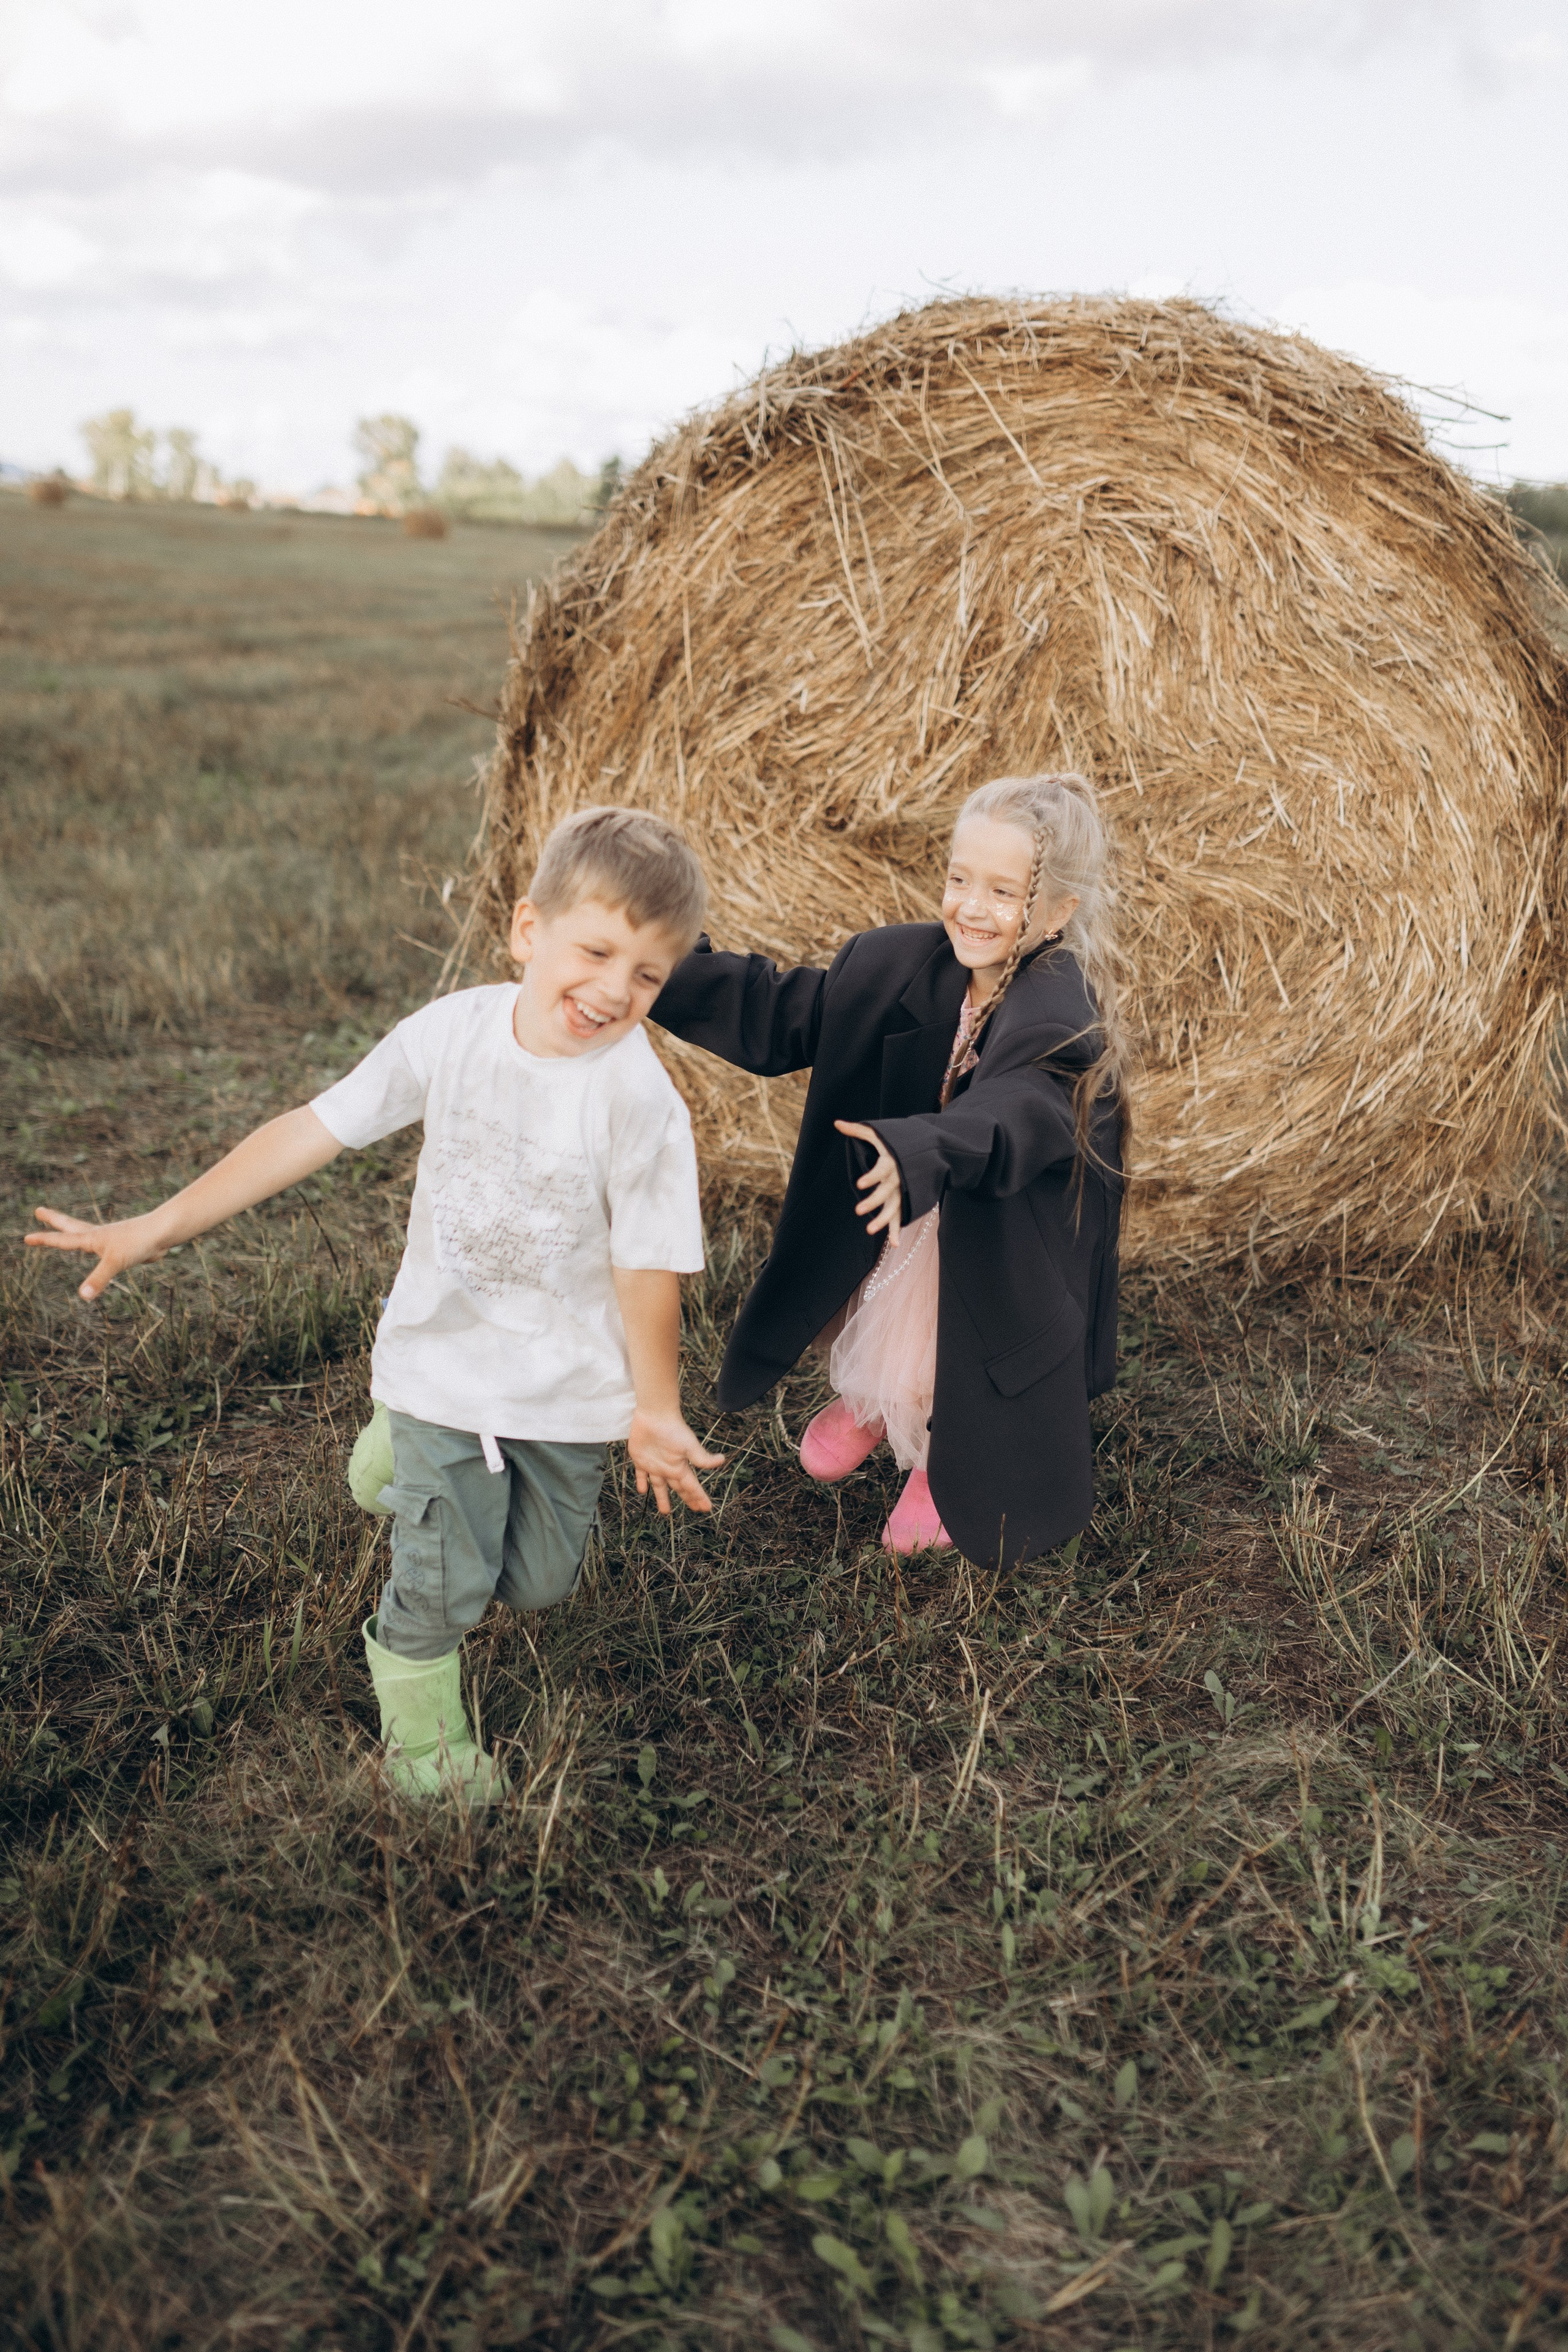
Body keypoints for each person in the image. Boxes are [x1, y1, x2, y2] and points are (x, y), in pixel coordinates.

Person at [27, 807, 723, 1803]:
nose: (616, 990)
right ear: (530, 931)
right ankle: (424, 1749)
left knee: (535, 1585)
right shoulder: (451, 1034)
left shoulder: (642, 1102)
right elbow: (311, 1131)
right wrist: (157, 1227)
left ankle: (393, 1450)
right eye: (597, 950)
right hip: (443, 1363)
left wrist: (655, 1411)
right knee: (444, 1587)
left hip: (569, 1382)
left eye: (648, 974)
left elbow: (649, 1270)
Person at [650, 772, 1127, 1567]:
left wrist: (926, 1148)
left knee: (952, 1330)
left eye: (1003, 891)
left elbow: (1016, 1112)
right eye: (959, 878)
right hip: (911, 1213)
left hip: (997, 1241)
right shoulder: (895, 965)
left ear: (1059, 912)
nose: (970, 907)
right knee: (893, 1309)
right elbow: (780, 1011)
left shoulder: (1064, 1022)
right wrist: (656, 965)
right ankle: (880, 1401)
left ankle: (947, 1460)